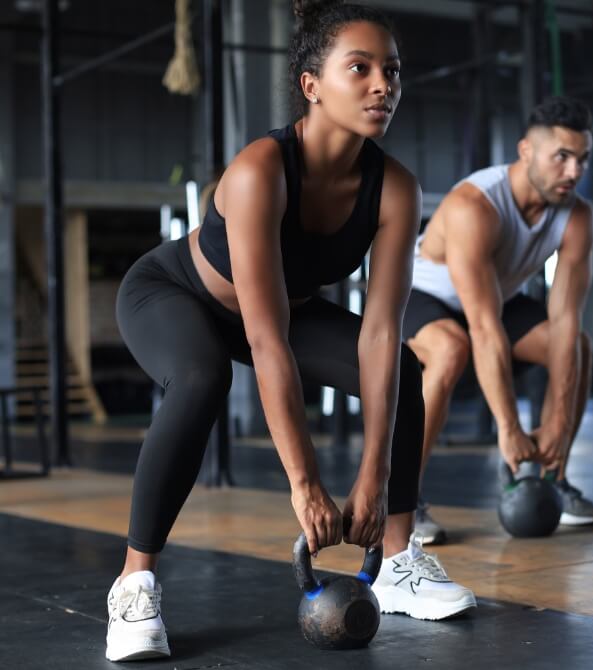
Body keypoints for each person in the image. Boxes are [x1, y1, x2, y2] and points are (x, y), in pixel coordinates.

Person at [106, 2, 474, 661]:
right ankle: (134, 583)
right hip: (175, 292)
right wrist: (305, 484)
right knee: (200, 378)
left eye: (391, 70)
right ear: (312, 85)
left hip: (287, 309)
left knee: (409, 370)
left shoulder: (394, 188)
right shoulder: (260, 171)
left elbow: (381, 334)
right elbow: (265, 339)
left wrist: (374, 477)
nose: (382, 85)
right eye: (359, 68)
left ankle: (396, 562)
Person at [402, 97, 593, 545]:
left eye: (582, 159)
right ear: (526, 152)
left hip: (497, 298)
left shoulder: (578, 217)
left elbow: (566, 323)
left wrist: (556, 426)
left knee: (578, 345)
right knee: (451, 347)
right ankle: (402, 500)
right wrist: (509, 428)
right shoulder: (474, 206)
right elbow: (484, 326)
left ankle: (554, 479)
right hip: (423, 295)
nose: (574, 172)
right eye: (562, 158)